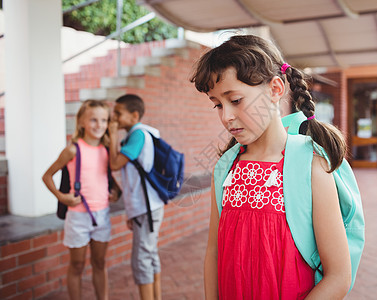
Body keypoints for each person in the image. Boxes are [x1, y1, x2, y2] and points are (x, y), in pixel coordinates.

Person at [190, 35, 351, 299]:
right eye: (217, 104)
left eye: (236, 100)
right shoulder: (225, 168)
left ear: (275, 89)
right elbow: (213, 251)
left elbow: (338, 276)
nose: (226, 116)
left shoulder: (310, 165)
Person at [42, 100, 118, 300]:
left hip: (102, 215)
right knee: (77, 265)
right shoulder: (73, 150)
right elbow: (47, 176)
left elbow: (111, 179)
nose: (99, 125)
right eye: (93, 119)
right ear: (82, 122)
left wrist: (115, 193)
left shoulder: (107, 149)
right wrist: (61, 196)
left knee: (100, 263)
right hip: (78, 217)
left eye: (103, 120)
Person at [108, 94, 164, 300]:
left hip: (147, 207)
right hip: (146, 206)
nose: (114, 117)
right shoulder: (139, 134)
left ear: (133, 115)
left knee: (141, 260)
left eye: (118, 113)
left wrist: (113, 134)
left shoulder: (138, 135)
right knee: (149, 255)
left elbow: (115, 164)